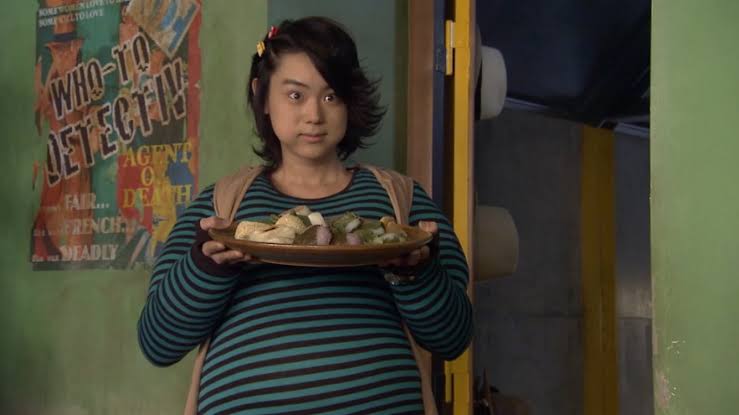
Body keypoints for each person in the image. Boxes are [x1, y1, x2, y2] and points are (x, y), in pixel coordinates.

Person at [137, 16, 473, 415]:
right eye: (295, 95)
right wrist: (207, 268)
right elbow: (158, 343)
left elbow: (454, 338)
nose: (314, 114)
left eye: (331, 97)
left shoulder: (403, 200)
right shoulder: (220, 207)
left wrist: (417, 273)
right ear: (262, 95)